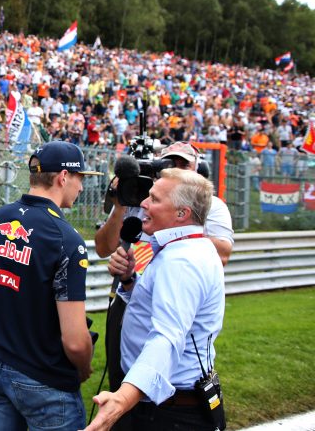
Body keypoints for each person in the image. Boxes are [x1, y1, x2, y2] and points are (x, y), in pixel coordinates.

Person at [0, 141, 103, 431]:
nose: (81, 188)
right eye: (80, 178)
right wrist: (84, 367)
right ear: (63, 177)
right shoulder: (67, 240)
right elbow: (76, 342)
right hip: (44, 377)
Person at [93, 141, 233, 421]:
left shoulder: (181, 261)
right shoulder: (177, 247)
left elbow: (167, 337)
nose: (143, 203)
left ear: (182, 214)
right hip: (157, 400)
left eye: (154, 200)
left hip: (167, 410)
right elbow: (153, 304)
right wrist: (131, 281)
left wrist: (121, 400)